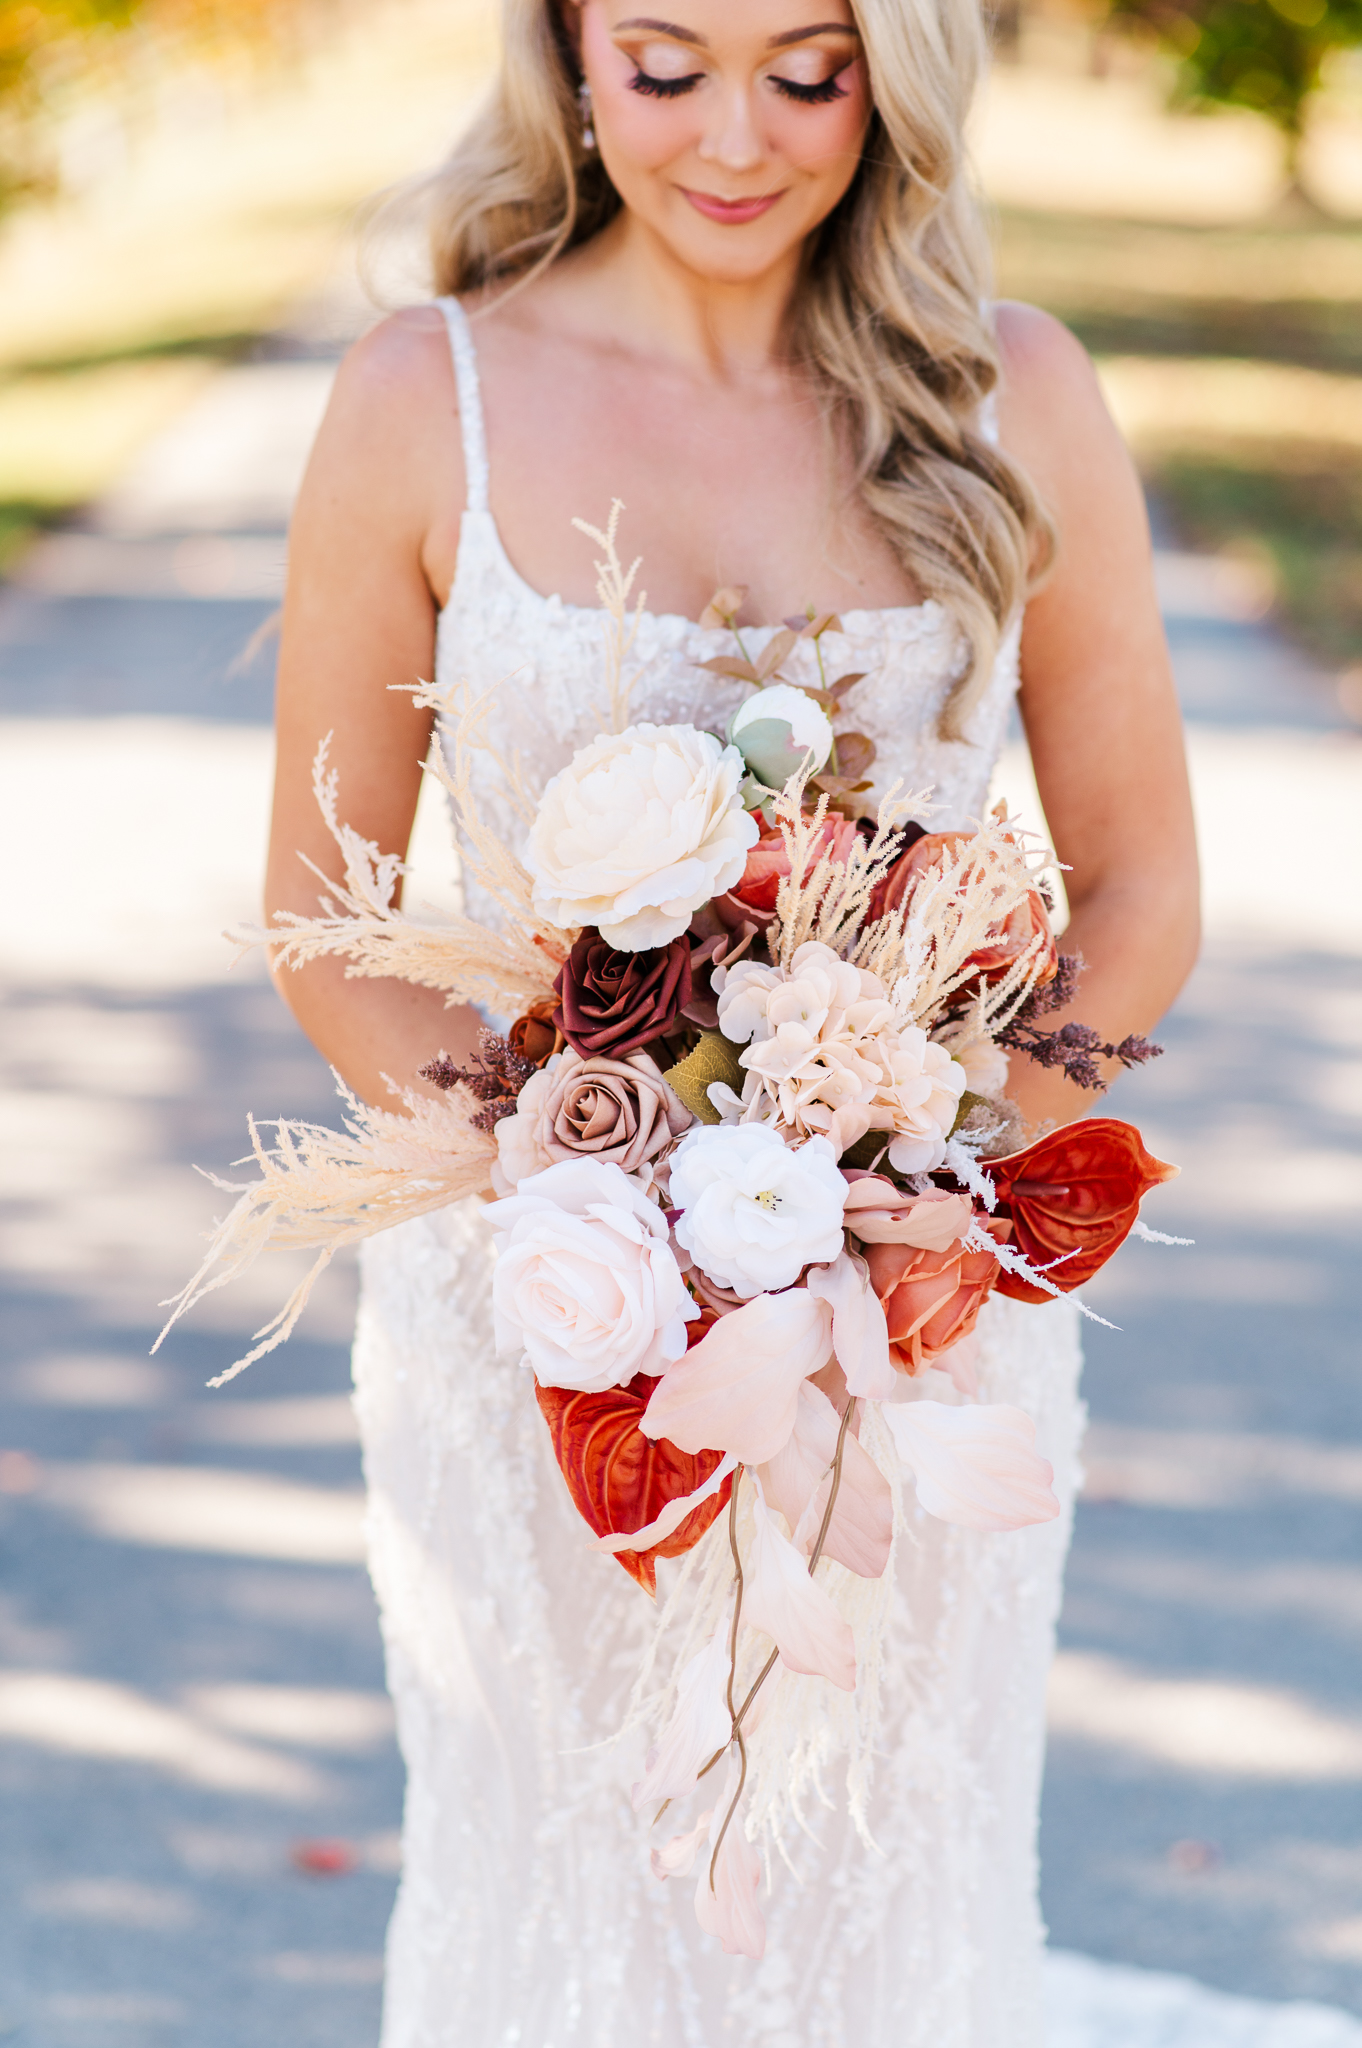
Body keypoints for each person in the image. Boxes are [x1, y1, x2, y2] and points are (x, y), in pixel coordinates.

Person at [265, 0, 1199, 2038]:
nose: (738, 141)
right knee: (556, 1897)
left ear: (900, 70)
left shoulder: (1012, 392)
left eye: (812, 68)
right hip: (543, 1325)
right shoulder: (426, 399)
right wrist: (572, 1208)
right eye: (667, 65)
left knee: (889, 1890)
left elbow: (1138, 891)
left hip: (917, 1333)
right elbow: (325, 914)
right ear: (569, 55)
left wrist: (910, 1174)